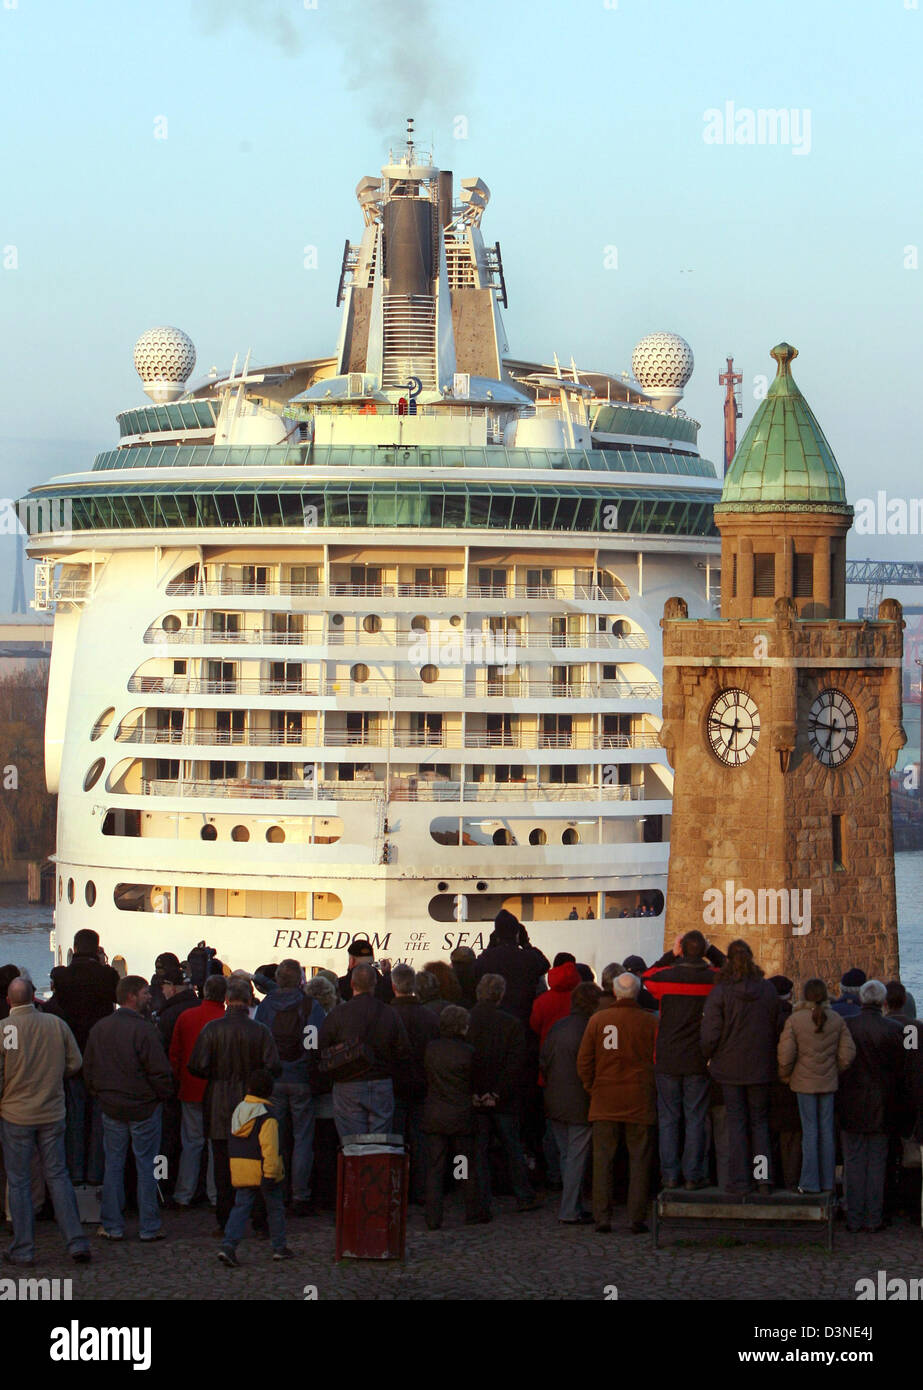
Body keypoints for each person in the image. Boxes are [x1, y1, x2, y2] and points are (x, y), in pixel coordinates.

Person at [0, 976, 90, 1266]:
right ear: (34, 996)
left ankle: (23, 1248)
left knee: (19, 1182)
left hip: (15, 1113)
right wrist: (53, 1076)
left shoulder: (5, 1030)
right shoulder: (55, 1024)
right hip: (52, 1111)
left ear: (9, 1001)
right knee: (58, 1176)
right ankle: (76, 1241)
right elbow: (75, 1063)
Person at [82, 975, 175, 1242]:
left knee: (113, 1165)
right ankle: (149, 1225)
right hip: (143, 1107)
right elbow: (159, 1071)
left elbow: (88, 1068)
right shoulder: (145, 1030)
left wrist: (100, 1093)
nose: (149, 996)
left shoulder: (100, 1028)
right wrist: (160, 1096)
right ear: (132, 996)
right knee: (147, 1166)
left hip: (111, 1106)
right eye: (146, 992)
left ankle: (112, 1225)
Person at [187, 977, 282, 1232]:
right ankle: (259, 1220)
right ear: (250, 1000)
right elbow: (274, 1066)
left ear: (227, 1000)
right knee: (257, 1161)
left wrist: (217, 1075)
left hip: (218, 1101)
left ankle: (225, 1219)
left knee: (222, 1166)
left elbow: (196, 1065)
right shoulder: (260, 1031)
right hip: (252, 1103)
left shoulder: (211, 1029)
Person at [642, 930, 724, 1191]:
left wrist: (671, 954)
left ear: (682, 950)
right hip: (698, 1059)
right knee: (695, 1118)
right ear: (702, 951)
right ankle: (693, 1175)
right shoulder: (713, 980)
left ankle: (669, 1175)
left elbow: (645, 977)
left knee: (668, 1119)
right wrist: (711, 951)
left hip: (666, 1057)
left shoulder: (665, 978)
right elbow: (735, 973)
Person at [577, 972, 658, 1234]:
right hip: (639, 1096)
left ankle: (602, 1216)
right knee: (640, 1159)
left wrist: (592, 1087)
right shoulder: (650, 1021)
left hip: (605, 1097)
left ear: (614, 992)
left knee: (603, 1160)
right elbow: (658, 1060)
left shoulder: (598, 1019)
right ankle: (637, 1217)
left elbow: (584, 1061)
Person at [700, 939, 781, 1195]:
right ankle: (763, 1179)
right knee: (760, 1123)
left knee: (737, 1124)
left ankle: (740, 1180)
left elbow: (711, 1032)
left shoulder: (721, 992)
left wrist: (708, 1055)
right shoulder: (767, 989)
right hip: (760, 1065)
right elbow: (775, 1025)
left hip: (729, 1066)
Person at [255, 959, 325, 1217]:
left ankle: (277, 1190)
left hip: (275, 1079)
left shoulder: (266, 1006)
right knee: (303, 1138)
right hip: (301, 1078)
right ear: (299, 980)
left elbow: (261, 1042)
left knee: (277, 1138)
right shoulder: (311, 1006)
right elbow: (315, 1043)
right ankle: (300, 1194)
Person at [466, 973, 540, 1218]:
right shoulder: (511, 1023)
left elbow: (465, 1061)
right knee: (513, 1147)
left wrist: (475, 1092)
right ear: (501, 994)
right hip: (503, 1097)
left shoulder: (467, 1019)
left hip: (476, 1096)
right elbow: (515, 1064)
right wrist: (497, 1093)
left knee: (479, 1151)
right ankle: (523, 1195)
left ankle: (480, 1200)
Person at [50, 928, 119, 1188]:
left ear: (75, 949)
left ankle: (75, 1172)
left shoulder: (61, 975)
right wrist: (103, 965)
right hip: (99, 1054)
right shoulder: (107, 975)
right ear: (97, 949)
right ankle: (95, 1173)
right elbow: (116, 996)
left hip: (71, 1052)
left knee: (75, 1116)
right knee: (99, 1117)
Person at [836, 979, 904, 1233]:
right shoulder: (893, 1029)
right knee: (876, 1163)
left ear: (862, 999)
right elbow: (900, 1069)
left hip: (850, 1101)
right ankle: (873, 1219)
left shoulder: (847, 1026)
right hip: (882, 1103)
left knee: (853, 1163)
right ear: (883, 1002)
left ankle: (854, 1218)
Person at [777, 979, 856, 1194]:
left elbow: (785, 1056)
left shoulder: (795, 1020)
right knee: (826, 1132)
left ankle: (810, 1182)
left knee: (809, 1132)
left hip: (803, 1083)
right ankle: (828, 1181)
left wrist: (786, 1076)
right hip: (828, 1082)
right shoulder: (837, 1020)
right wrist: (834, 1070)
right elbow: (847, 1054)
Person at [318, 962, 411, 1140]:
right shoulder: (389, 1012)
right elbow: (403, 1050)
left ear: (352, 984)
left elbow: (320, 1046)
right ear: (375, 983)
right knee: (379, 1145)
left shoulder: (338, 1013)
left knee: (352, 1144)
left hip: (347, 1083)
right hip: (381, 1082)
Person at [540, 981, 602, 1224]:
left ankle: (572, 1205)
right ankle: (569, 1209)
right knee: (575, 1157)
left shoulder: (559, 1026)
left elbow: (544, 1060)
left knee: (567, 1156)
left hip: (555, 1098)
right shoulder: (591, 1028)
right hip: (580, 1100)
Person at [218, 1069, 292, 1266]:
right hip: (263, 1170)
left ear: (249, 1088)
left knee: (240, 1208)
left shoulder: (239, 1110)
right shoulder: (267, 1116)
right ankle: (279, 1247)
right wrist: (271, 1174)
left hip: (241, 1168)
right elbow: (270, 1149)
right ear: (270, 1091)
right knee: (275, 1208)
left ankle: (228, 1245)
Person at [168, 973, 227, 1208]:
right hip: (219, 1091)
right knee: (216, 1144)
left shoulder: (186, 1017)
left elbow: (175, 1054)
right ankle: (216, 1193)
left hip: (190, 1086)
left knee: (192, 1142)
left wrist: (179, 1079)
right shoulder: (225, 1018)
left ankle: (184, 1192)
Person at [421, 1005, 482, 1229]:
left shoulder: (431, 1049)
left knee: (435, 1168)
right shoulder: (468, 1052)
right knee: (463, 1164)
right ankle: (472, 1210)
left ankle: (433, 1217)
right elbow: (475, 1082)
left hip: (435, 1113)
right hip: (460, 1116)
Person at [389, 963, 439, 1204]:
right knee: (420, 1142)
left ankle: (398, 1189)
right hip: (421, 1083)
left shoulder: (388, 1015)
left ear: (394, 986)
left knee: (396, 1140)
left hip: (395, 1085)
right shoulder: (429, 1016)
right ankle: (420, 1190)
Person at [473, 910, 550, 1027]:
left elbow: (476, 969)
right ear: (517, 934)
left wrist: (490, 946)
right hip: (524, 1019)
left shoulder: (488, 958)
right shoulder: (528, 958)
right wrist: (526, 944)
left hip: (495, 1021)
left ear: (497, 935)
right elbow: (544, 965)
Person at [303, 975, 340, 1210]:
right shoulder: (336, 1019)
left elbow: (309, 1053)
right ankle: (330, 1192)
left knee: (314, 1143)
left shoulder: (308, 1021)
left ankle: (315, 1192)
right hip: (332, 1086)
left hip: (313, 1087)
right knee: (329, 1142)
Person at [767, 975, 803, 1191]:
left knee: (766, 1135)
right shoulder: (794, 1020)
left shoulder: (760, 1018)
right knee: (791, 1138)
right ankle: (791, 1182)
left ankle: (765, 1179)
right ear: (790, 995)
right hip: (790, 1084)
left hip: (765, 1082)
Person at [529, 953, 580, 1052]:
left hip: (548, 1052)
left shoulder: (541, 1001)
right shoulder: (583, 999)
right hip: (578, 1052)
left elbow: (534, 1026)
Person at [337, 938, 393, 1003]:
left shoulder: (340, 985)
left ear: (352, 960)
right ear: (372, 959)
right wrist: (387, 974)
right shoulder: (386, 984)